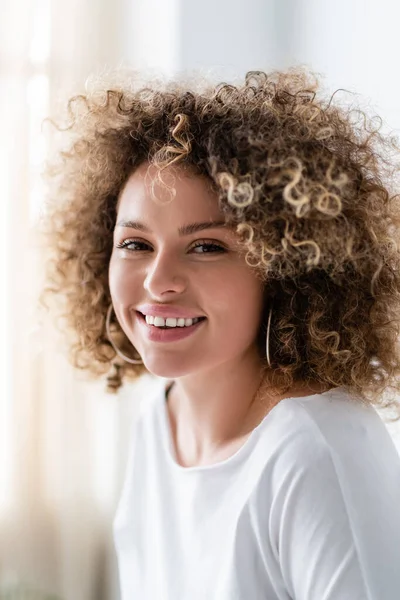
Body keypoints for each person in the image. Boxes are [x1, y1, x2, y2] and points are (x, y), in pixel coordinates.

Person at [40, 67, 400, 599]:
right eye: (136, 244)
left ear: (285, 267)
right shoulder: (156, 424)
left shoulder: (313, 451)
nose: (159, 281)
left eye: (207, 246)